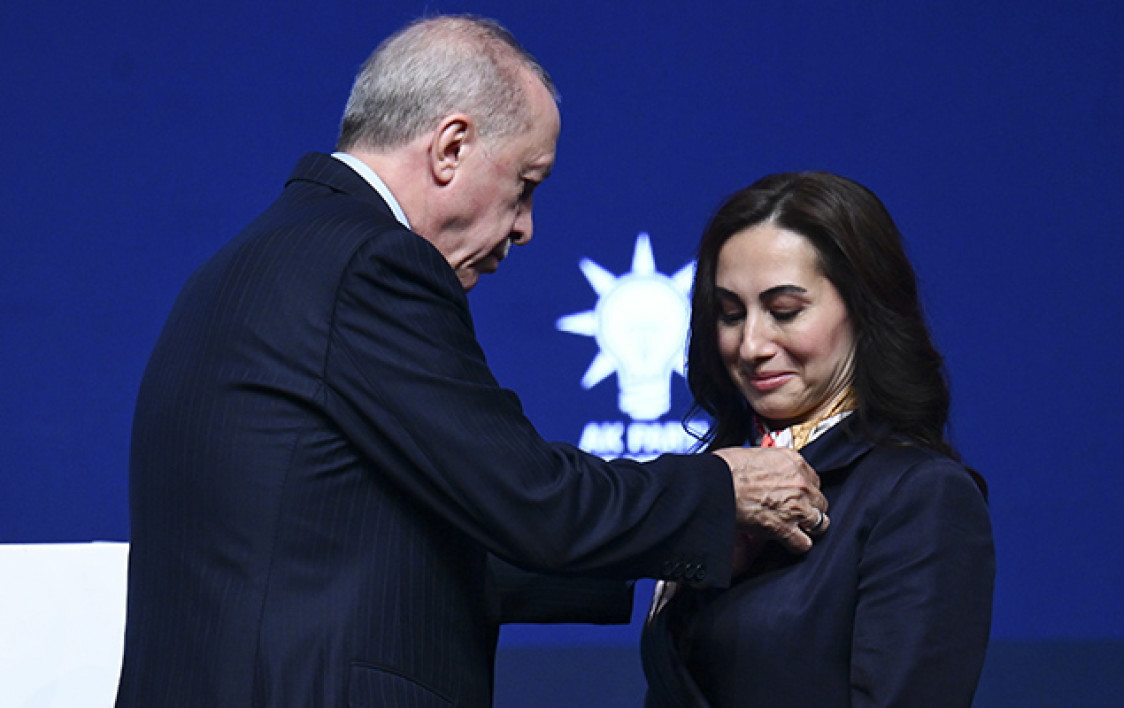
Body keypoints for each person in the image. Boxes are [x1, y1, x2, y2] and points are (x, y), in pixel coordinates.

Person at [115, 15, 829, 708]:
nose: (525, 227)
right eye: (526, 184)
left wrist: (670, 554)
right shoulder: (369, 262)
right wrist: (717, 492)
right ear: (451, 148)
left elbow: (370, 547)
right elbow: (529, 497)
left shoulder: (252, 263)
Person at [641, 172, 995, 707]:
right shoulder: (721, 484)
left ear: (863, 308)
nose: (751, 344)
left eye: (785, 311)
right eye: (730, 314)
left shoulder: (921, 495)